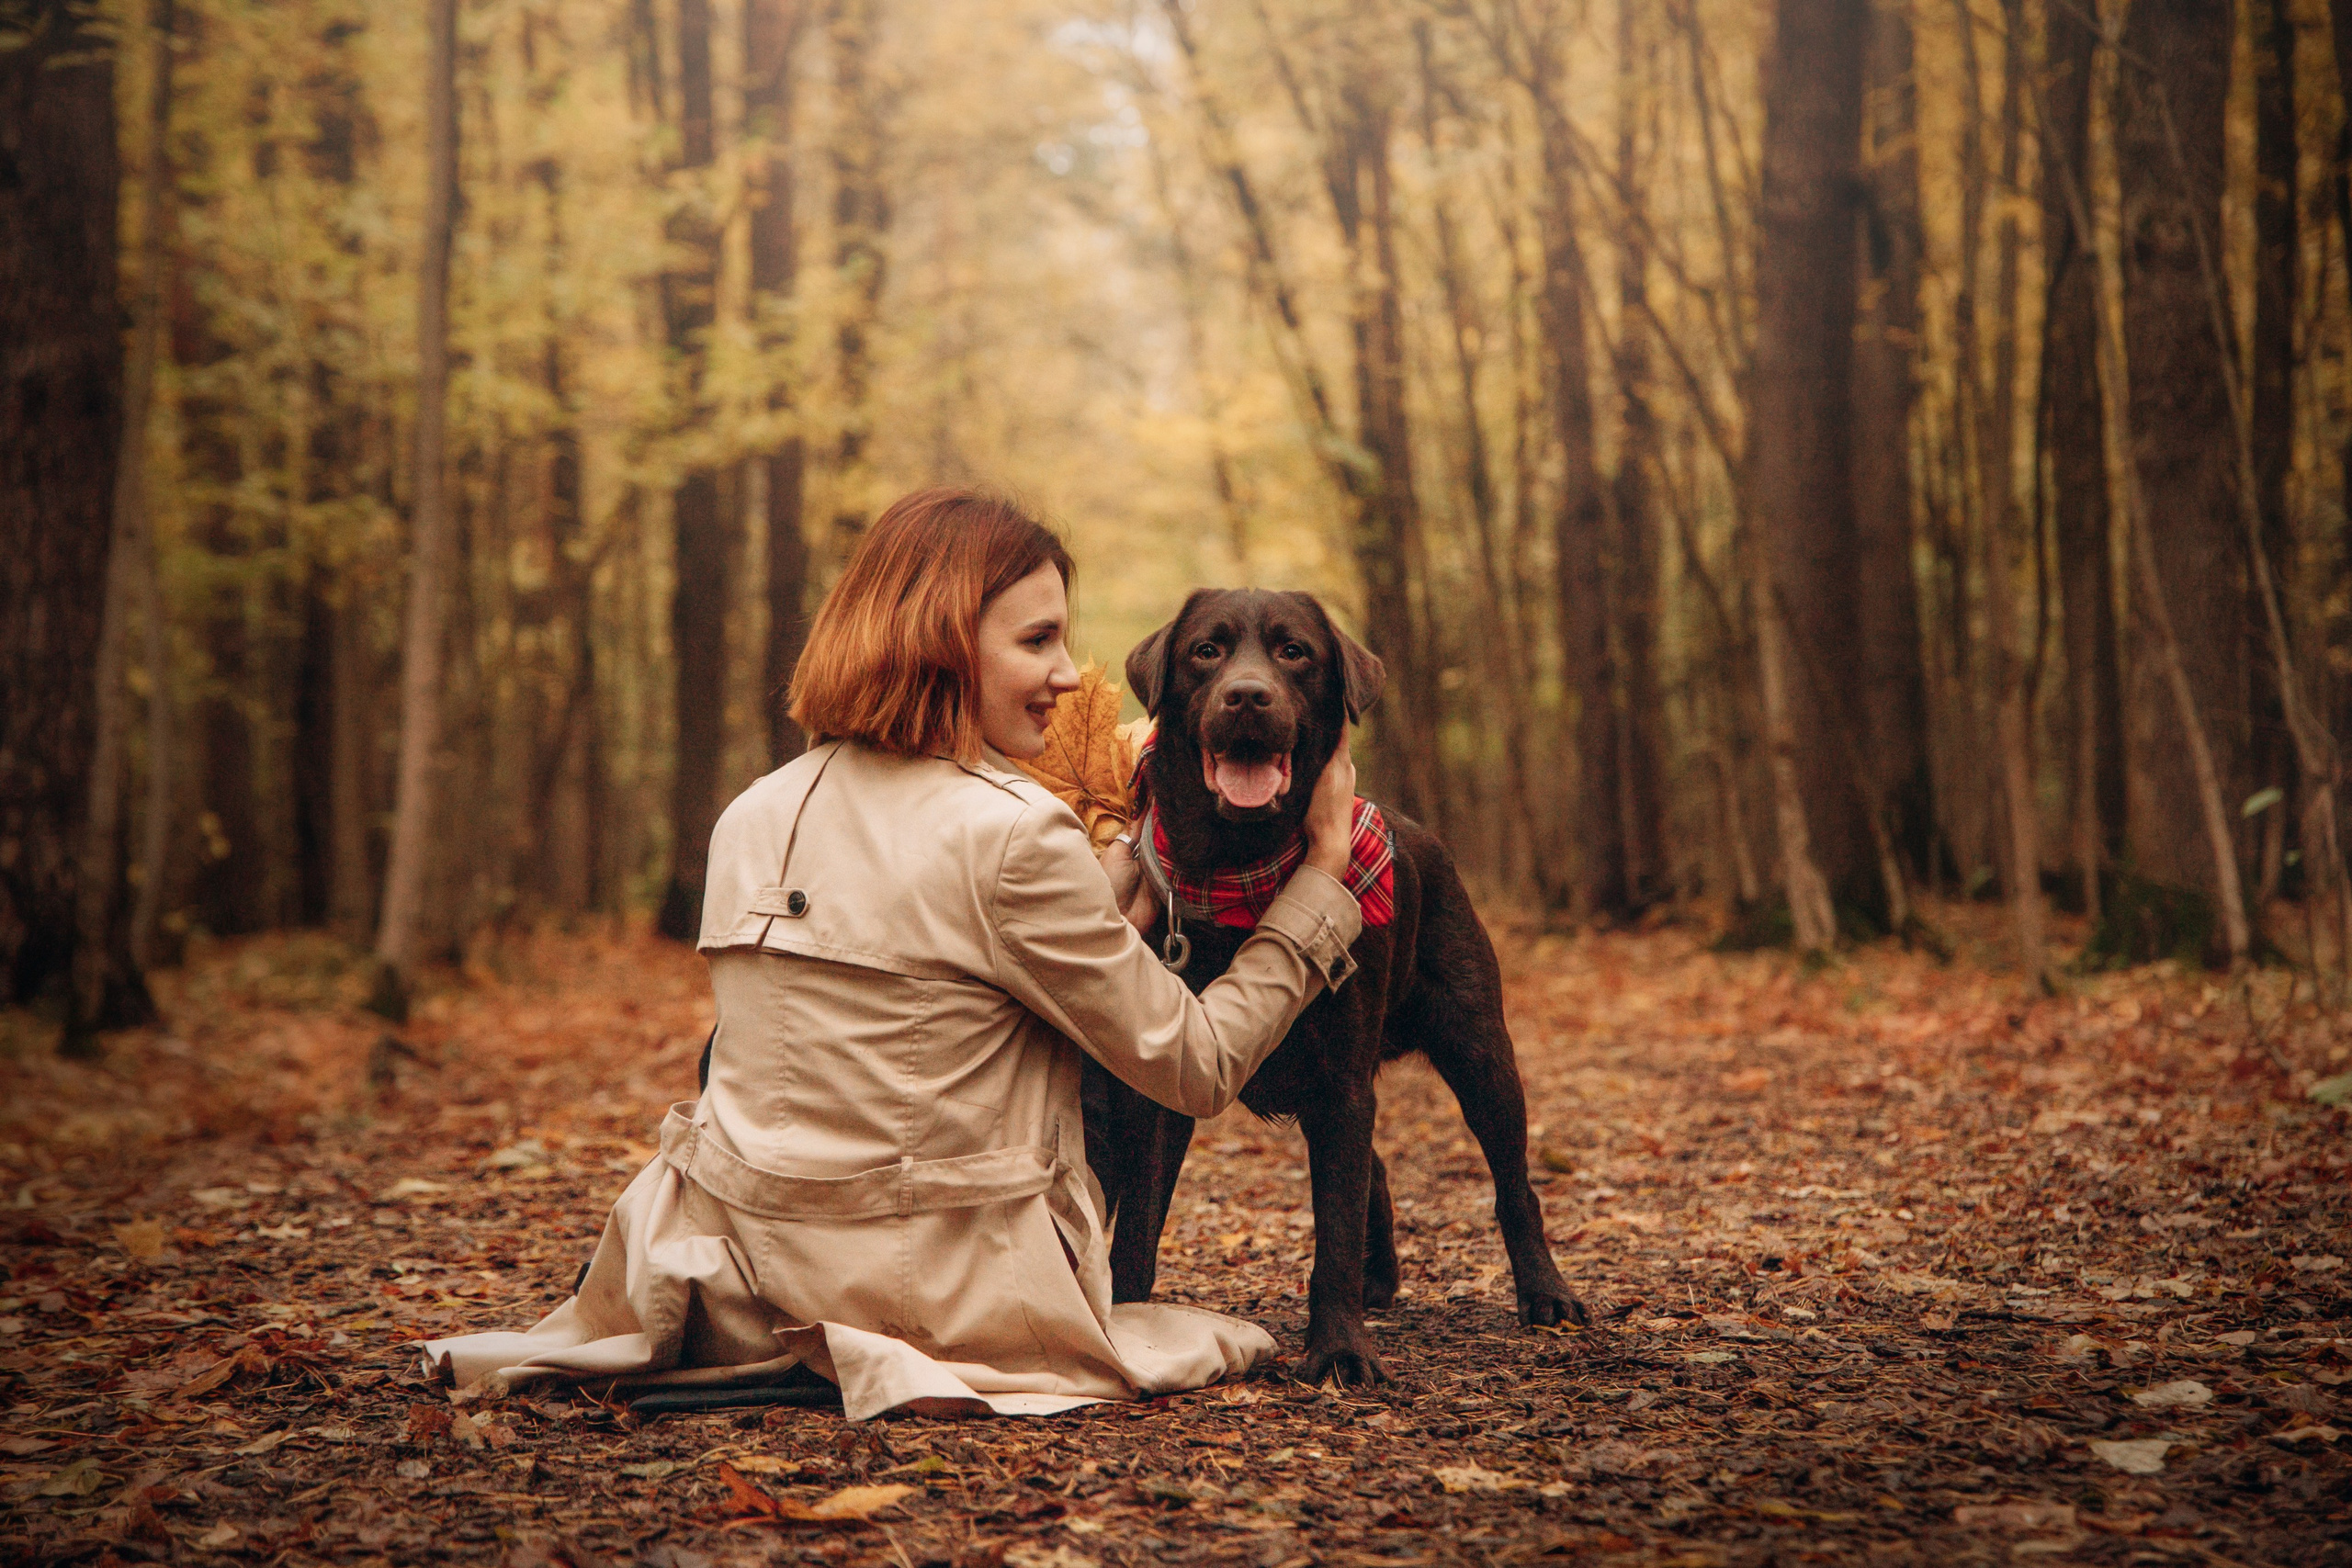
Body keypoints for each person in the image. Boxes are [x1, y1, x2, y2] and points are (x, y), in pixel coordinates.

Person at [420, 489, 1364, 1417]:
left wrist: (1109, 895)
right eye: (1036, 641)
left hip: (741, 1281)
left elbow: (901, 1019)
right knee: (1230, 1337)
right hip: (948, 1295)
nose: (1071, 676)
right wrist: (1323, 876)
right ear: (941, 641)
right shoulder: (1016, 833)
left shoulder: (753, 812)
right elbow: (1196, 1068)